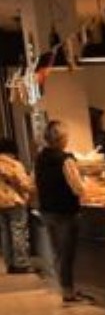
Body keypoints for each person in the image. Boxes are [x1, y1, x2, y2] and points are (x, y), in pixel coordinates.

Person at [35, 120, 90, 304]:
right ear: (61, 139)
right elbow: (78, 187)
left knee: (58, 252)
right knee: (67, 253)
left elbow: (34, 183)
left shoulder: (40, 158)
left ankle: (65, 288)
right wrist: (87, 189)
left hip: (47, 211)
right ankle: (68, 292)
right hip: (66, 211)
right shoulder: (65, 159)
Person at [0, 138, 35, 273]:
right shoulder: (14, 165)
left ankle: (9, 263)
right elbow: (24, 184)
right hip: (15, 201)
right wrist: (32, 188)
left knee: (5, 233)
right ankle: (21, 263)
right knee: (18, 232)